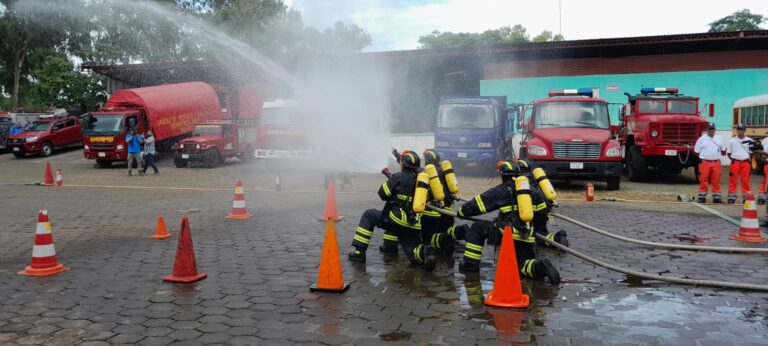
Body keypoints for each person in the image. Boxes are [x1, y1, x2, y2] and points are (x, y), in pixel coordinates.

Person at [451, 160, 560, 284]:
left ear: (502, 175)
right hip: (527, 236)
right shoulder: (533, 190)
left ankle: (470, 264)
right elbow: (542, 214)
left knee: (477, 227)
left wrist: (461, 212)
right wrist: (535, 231)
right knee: (522, 264)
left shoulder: (501, 191)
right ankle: (540, 266)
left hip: (506, 234)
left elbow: (477, 205)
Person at [348, 151, 435, 271]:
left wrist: (393, 183)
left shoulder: (398, 177)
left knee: (369, 215)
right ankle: (425, 253)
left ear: (403, 164)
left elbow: (382, 194)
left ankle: (359, 252)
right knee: (414, 256)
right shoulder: (422, 181)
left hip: (395, 220)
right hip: (412, 224)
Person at [516, 159, 568, 247]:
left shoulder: (519, 183)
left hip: (528, 217)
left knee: (531, 235)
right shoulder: (535, 180)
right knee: (541, 232)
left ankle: (526, 239)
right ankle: (556, 238)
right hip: (543, 212)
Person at [693, 123, 725, 203]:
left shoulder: (720, 138)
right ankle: (702, 197)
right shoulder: (701, 139)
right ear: (706, 130)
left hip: (716, 162)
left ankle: (717, 197)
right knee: (703, 179)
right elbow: (696, 152)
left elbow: (724, 150)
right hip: (705, 162)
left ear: (715, 130)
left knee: (716, 180)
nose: (711, 131)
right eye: (709, 129)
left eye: (712, 129)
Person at [726, 124, 752, 204]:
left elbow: (752, 152)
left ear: (744, 130)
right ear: (737, 130)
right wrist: (735, 159)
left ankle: (746, 197)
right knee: (733, 180)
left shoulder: (749, 141)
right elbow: (729, 153)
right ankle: (731, 197)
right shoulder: (732, 141)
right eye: (738, 129)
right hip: (735, 162)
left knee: (746, 180)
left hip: (745, 162)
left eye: (741, 129)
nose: (740, 131)